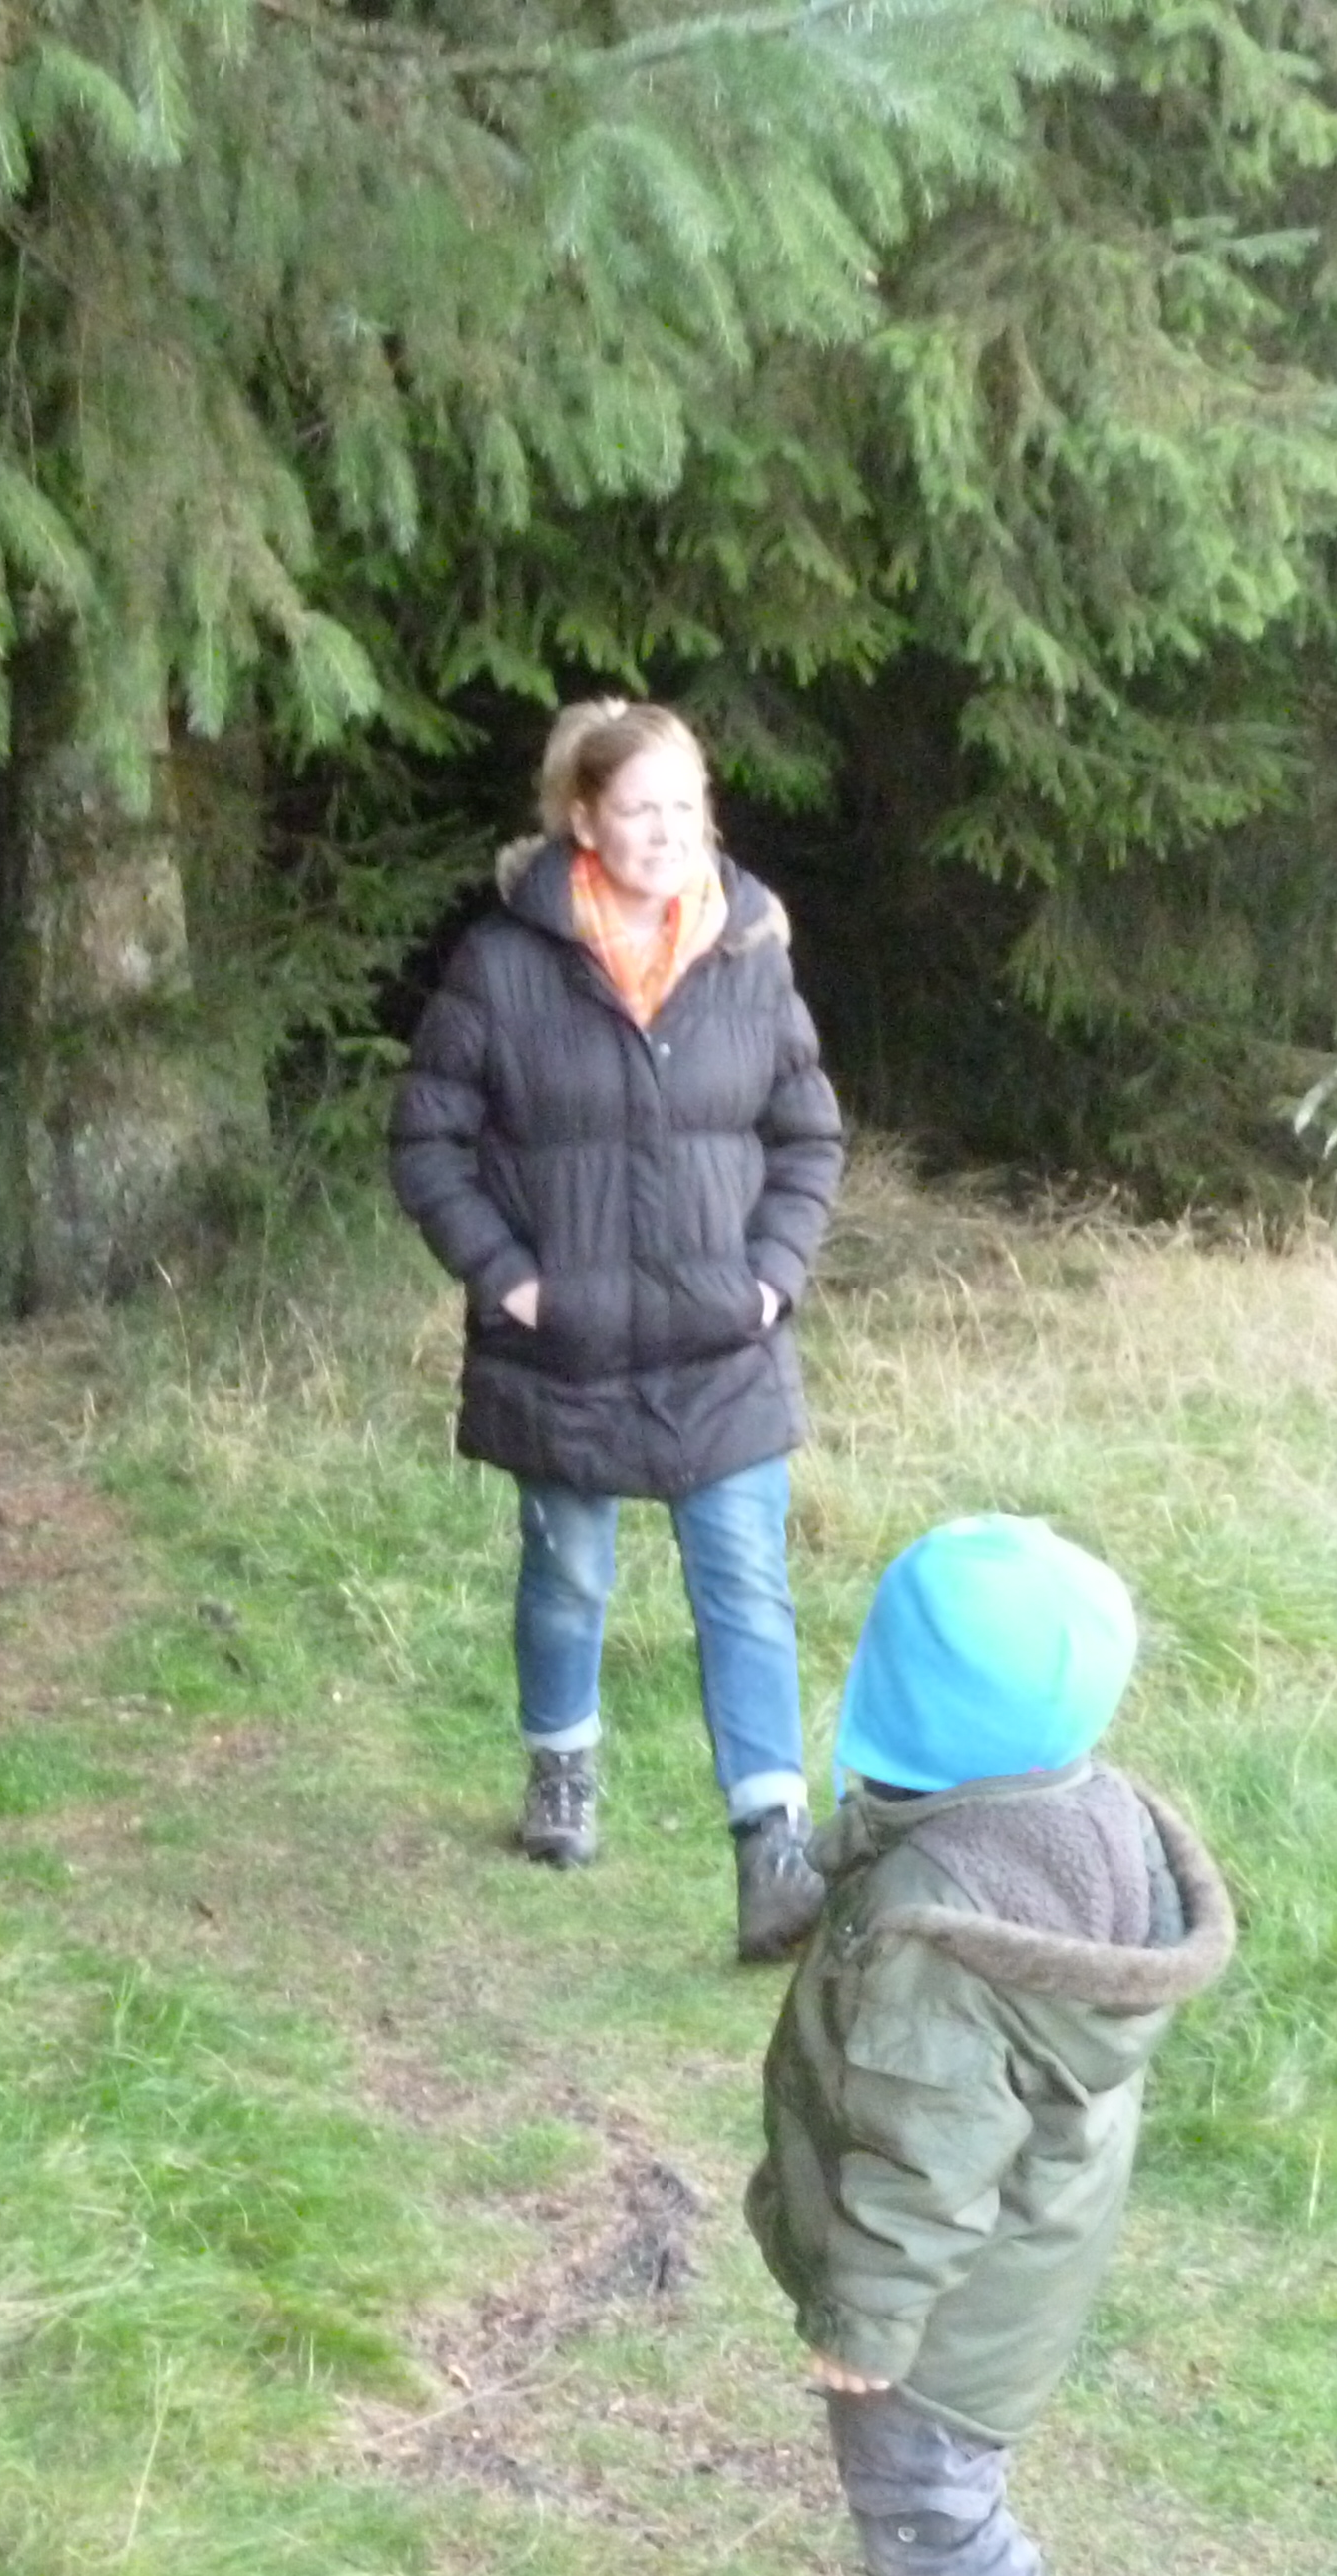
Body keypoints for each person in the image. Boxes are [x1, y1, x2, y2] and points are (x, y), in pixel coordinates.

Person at [744, 1514, 1237, 2576]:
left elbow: (925, 2148)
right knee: (924, 2492)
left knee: (926, 2494)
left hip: (949, 2295)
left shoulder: (941, 1934)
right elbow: (922, 1831)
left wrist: (866, 2323)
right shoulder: (1071, 1809)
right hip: (1031, 2241)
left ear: (904, 1694)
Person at [391, 698, 849, 1960]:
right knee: (571, 1574)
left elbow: (808, 1137)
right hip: (568, 1344)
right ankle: (561, 1767)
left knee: (747, 1586)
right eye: (638, 809)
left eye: (683, 807)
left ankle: (774, 1852)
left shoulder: (751, 951)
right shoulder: (505, 964)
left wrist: (771, 1280)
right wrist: (508, 1281)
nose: (665, 831)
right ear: (583, 820)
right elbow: (426, 1140)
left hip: (722, 1343)